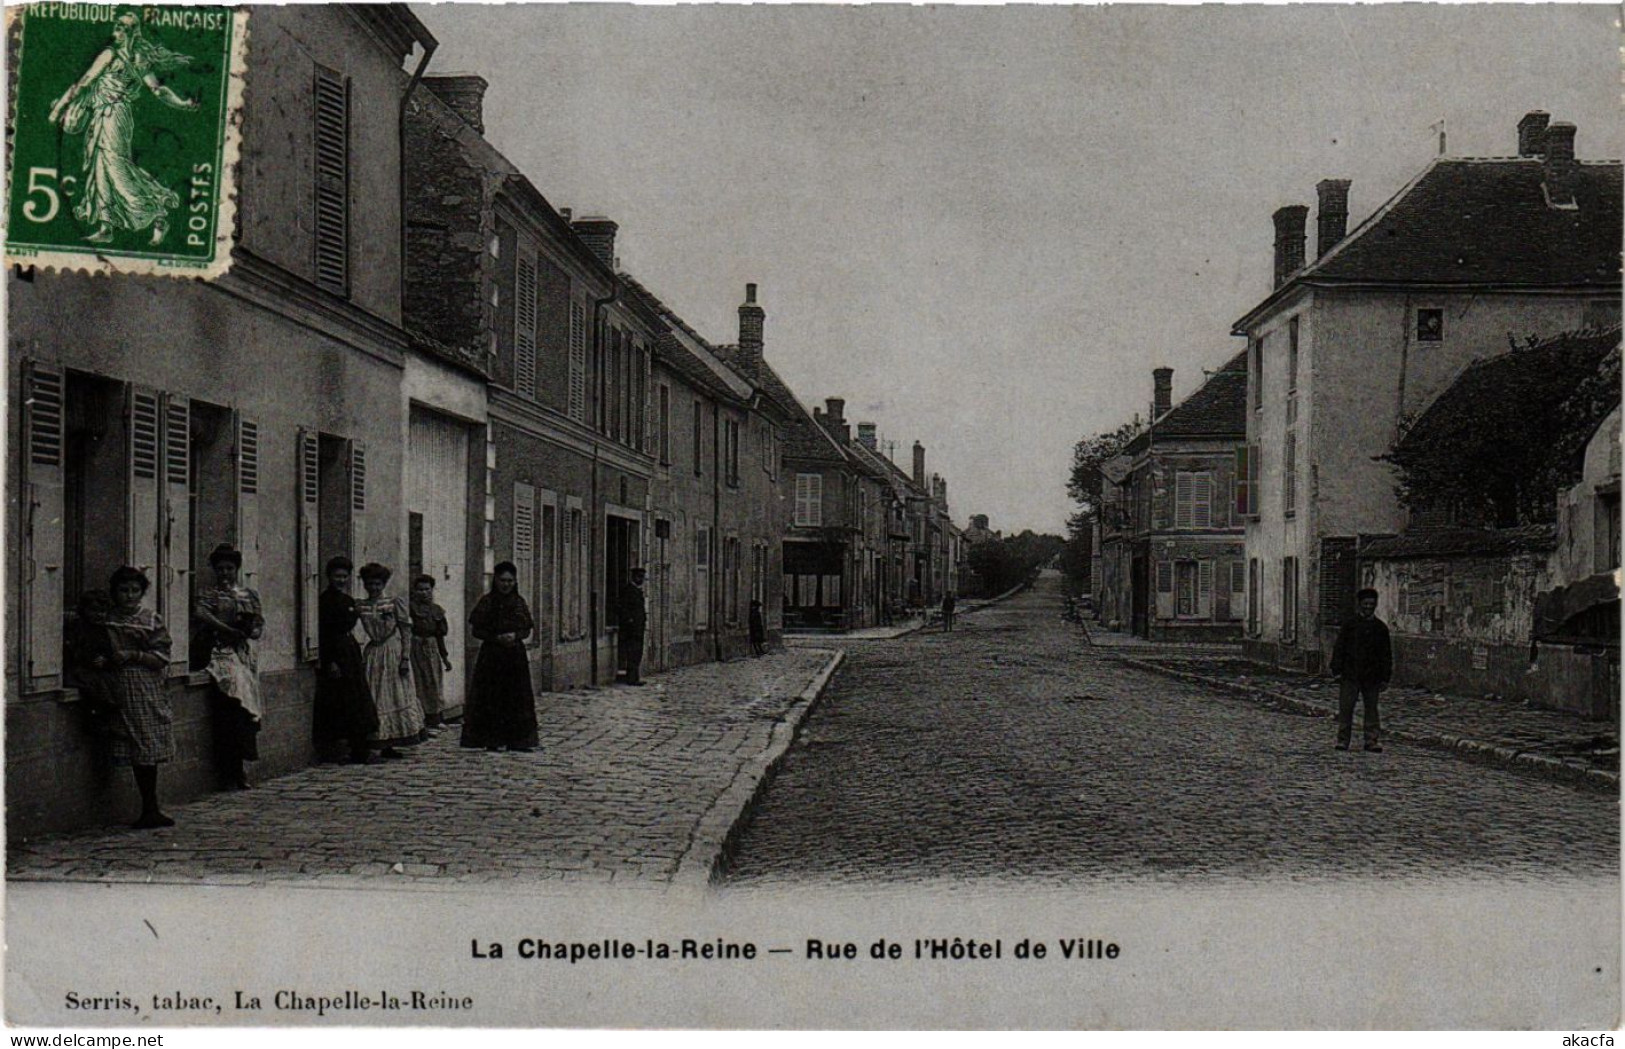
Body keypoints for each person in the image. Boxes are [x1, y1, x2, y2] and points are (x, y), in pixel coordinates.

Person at [47, 12, 200, 245]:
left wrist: (59, 108)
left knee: (116, 167)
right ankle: (106, 227)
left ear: (130, 33)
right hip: (103, 115)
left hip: (116, 117)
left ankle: (157, 215)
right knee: (101, 168)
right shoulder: (130, 57)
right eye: (116, 28)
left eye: (119, 29)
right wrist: (60, 107)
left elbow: (156, 90)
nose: (114, 34)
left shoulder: (124, 57)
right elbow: (86, 81)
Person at [102, 567, 176, 829]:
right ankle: (147, 808)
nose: (129, 595)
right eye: (123, 590)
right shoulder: (107, 619)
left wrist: (134, 656)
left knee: (146, 743)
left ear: (142, 593)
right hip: (117, 685)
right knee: (130, 743)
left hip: (144, 686)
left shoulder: (150, 619)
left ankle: (150, 807)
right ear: (115, 592)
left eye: (135, 590)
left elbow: (163, 656)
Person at [193, 544, 264, 790]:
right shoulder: (209, 594)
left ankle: (240, 771)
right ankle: (226, 772)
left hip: (242, 656)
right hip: (218, 654)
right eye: (220, 568)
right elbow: (201, 614)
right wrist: (227, 630)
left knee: (244, 712)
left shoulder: (248, 594)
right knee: (227, 711)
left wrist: (250, 631)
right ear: (214, 569)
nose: (225, 573)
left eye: (229, 568)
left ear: (237, 569)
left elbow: (258, 623)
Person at [461, 563, 538, 752]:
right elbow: (476, 630)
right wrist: (495, 637)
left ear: (515, 581)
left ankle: (518, 740)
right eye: (503, 580)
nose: (506, 585)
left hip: (514, 657)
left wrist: (516, 636)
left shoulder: (519, 602)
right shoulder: (487, 602)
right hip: (492, 656)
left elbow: (527, 628)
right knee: (491, 696)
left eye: (510, 581)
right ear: (495, 580)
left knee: (516, 696)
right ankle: (491, 739)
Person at [314, 557, 379, 765]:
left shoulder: (348, 600)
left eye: (344, 576)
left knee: (358, 700)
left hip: (350, 652)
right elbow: (324, 634)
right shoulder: (325, 601)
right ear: (329, 577)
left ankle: (360, 748)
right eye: (337, 576)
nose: (341, 580)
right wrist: (330, 661)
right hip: (335, 653)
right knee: (344, 702)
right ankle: (349, 750)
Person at [355, 563, 424, 759]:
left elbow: (406, 631)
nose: (374, 588)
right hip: (374, 653)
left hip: (393, 651)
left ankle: (391, 741)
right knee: (376, 695)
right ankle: (378, 740)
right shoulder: (361, 605)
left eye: (377, 584)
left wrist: (404, 657)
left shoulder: (394, 603)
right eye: (370, 584)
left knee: (395, 694)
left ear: (383, 584)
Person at [1329, 588, 1393, 753]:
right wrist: (1336, 670)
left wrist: (1385, 677)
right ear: (1359, 605)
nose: (1368, 607)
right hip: (1350, 675)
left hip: (1372, 677)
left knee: (1371, 709)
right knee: (1346, 708)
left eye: (1371, 604)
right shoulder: (1350, 626)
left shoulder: (1380, 628)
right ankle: (1343, 740)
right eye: (1365, 604)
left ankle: (1371, 740)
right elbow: (1339, 648)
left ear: (1376, 605)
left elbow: (1386, 654)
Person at [408, 574, 453, 733]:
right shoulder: (410, 608)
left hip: (432, 647)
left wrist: (445, 657)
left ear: (432, 590)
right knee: (418, 682)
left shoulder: (437, 610)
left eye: (427, 589)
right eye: (420, 589)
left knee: (433, 681)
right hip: (415, 646)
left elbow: (440, 636)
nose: (424, 593)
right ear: (414, 591)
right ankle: (421, 719)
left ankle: (435, 717)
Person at [618, 567, 648, 686]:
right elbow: (620, 607)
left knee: (637, 654)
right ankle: (631, 679)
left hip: (638, 629)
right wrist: (629, 620)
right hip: (631, 630)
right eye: (639, 577)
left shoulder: (637, 591)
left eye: (642, 577)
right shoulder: (628, 590)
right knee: (632, 654)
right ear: (634, 577)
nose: (641, 580)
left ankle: (635, 678)